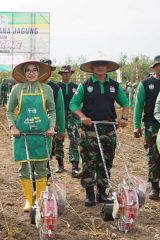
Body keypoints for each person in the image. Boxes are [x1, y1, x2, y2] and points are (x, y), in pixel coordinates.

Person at [70, 51, 129, 206]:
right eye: (96, 64)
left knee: (106, 161)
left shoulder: (114, 86)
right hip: (90, 129)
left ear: (107, 67)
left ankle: (102, 192)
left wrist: (124, 118)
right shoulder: (85, 86)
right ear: (92, 68)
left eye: (103, 64)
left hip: (109, 129)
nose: (100, 67)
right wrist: (82, 116)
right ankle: (89, 193)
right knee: (89, 161)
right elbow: (73, 104)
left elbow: (125, 103)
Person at [7, 60, 56, 212]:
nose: (31, 73)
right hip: (22, 135)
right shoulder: (17, 89)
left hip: (42, 135)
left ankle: (39, 201)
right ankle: (29, 200)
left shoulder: (47, 89)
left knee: (41, 169)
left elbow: (52, 111)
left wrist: (52, 127)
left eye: (34, 70)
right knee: (24, 168)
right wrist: (13, 127)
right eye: (28, 70)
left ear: (39, 72)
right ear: (23, 73)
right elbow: (9, 111)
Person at [135, 55, 160, 200]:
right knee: (153, 156)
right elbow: (138, 106)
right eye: (158, 65)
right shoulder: (146, 84)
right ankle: (155, 187)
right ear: (154, 67)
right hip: (152, 125)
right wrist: (137, 126)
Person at [39, 59, 66, 173]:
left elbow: (60, 109)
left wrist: (61, 129)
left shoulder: (56, 88)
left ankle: (45, 178)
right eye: (43, 68)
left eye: (48, 69)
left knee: (48, 153)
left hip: (50, 125)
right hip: (33, 125)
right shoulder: (31, 84)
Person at [57, 65, 81, 178]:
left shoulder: (76, 87)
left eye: (68, 73)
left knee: (74, 140)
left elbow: (80, 102)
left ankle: (74, 165)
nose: (66, 75)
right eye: (64, 73)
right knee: (58, 139)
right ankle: (60, 164)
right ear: (61, 74)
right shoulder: (57, 86)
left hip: (73, 116)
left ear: (71, 74)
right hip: (59, 116)